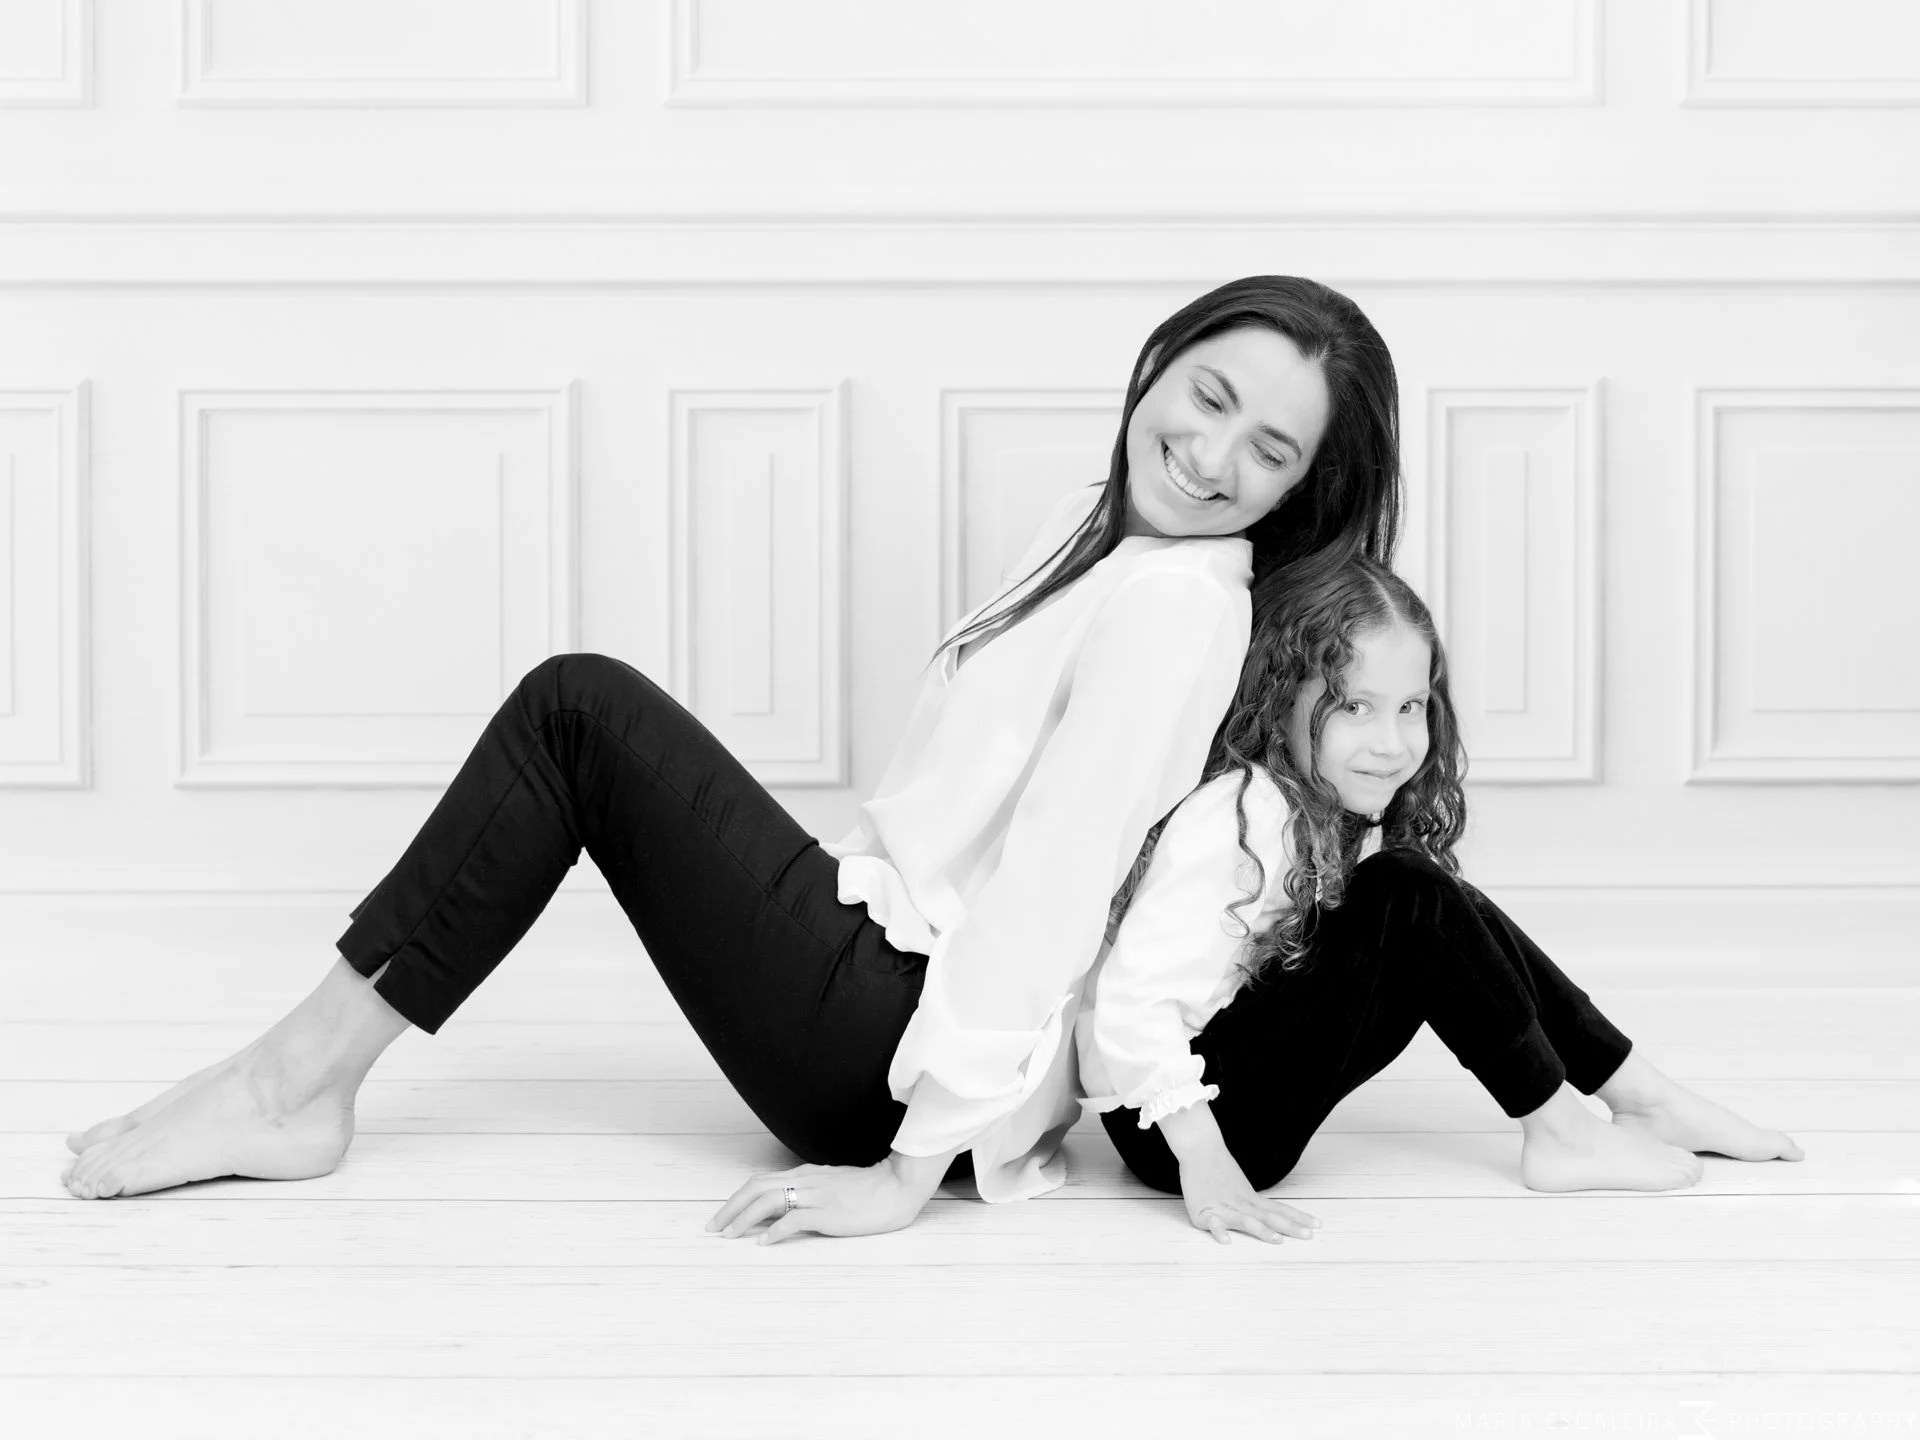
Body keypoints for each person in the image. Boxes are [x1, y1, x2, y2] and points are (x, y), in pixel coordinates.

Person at [59, 276, 1404, 1247]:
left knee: (576, 711)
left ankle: (291, 1089)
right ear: (1161, 360)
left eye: (1268, 450)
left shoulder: (1181, 607)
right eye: (1208, 396)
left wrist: (907, 1169)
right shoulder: (1102, 529)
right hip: (882, 985)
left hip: (891, 1057)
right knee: (578, 717)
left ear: (1302, 491)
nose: (1211, 455)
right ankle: (289, 1083)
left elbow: (1055, 890)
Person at [1083, 553, 1805, 1246]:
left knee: (1442, 904)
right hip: (1181, 1129)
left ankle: (1642, 1095)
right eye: (1353, 707)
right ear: (1279, 703)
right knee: (1407, 891)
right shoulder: (1240, 814)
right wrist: (1203, 1158)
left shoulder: (1312, 799)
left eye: (1410, 707)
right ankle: (1561, 1131)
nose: (1392, 743)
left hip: (1221, 1106)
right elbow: (1130, 1006)